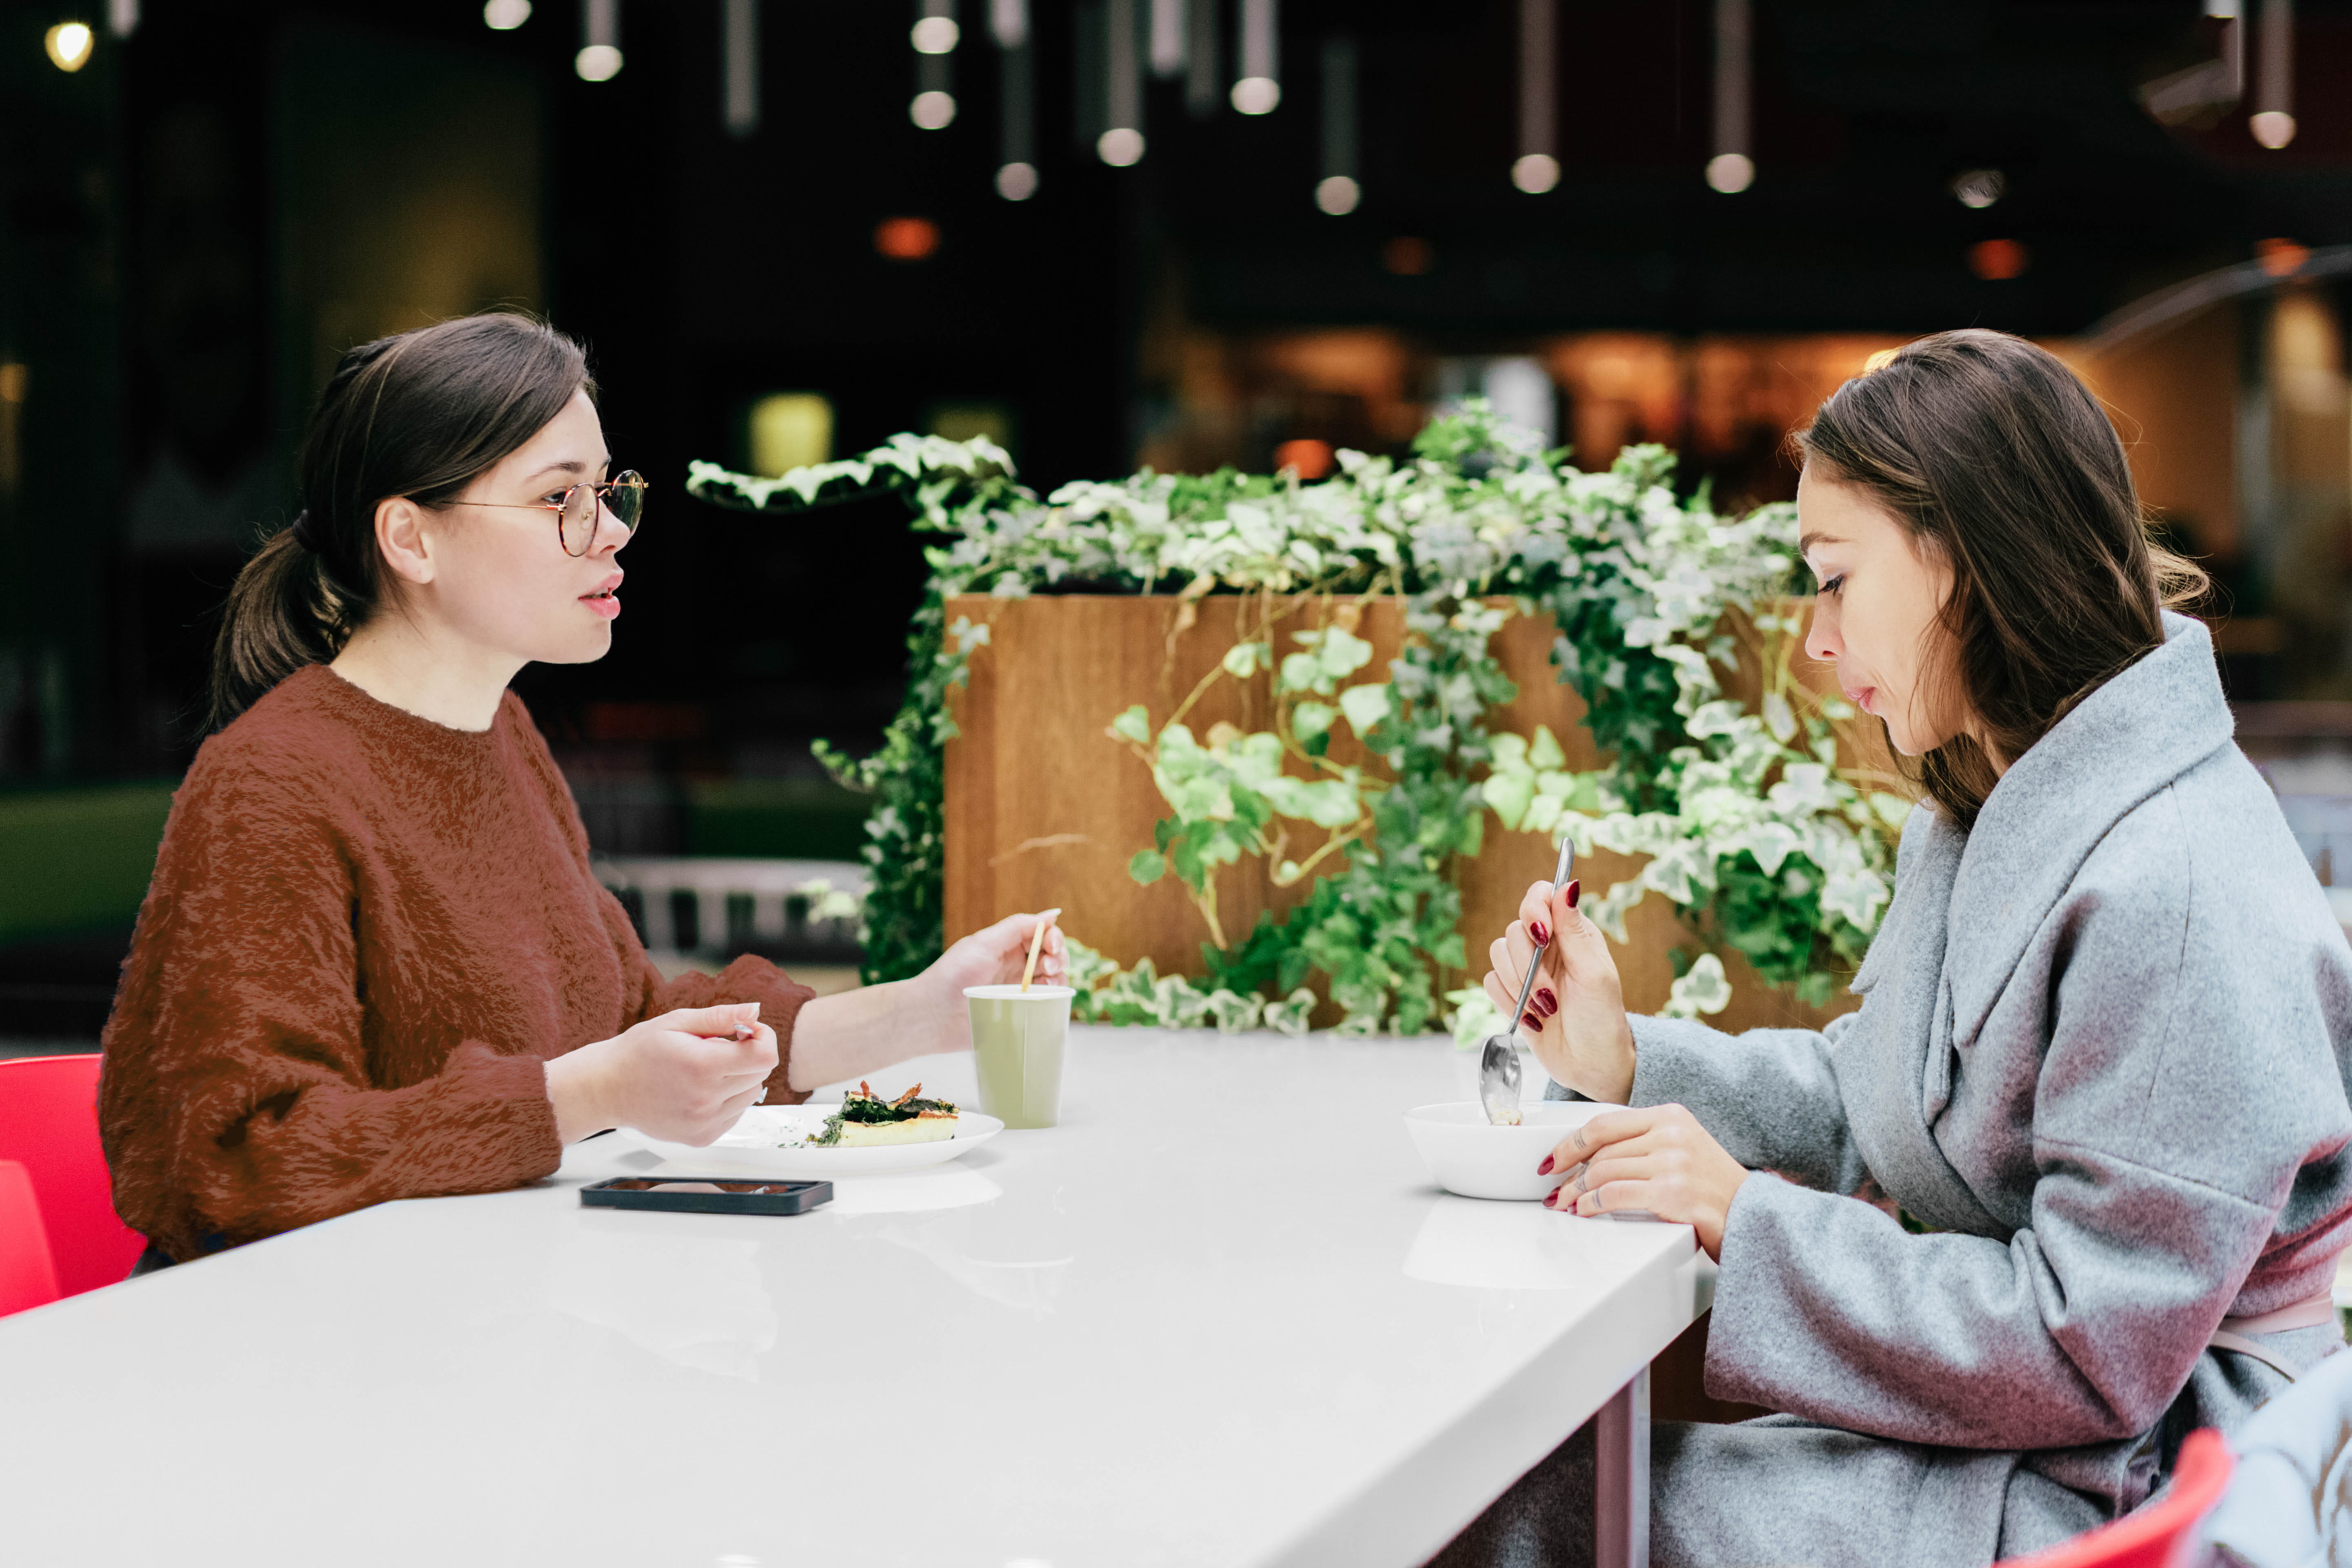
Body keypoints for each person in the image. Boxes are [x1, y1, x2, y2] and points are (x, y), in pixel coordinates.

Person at [1483, 329, 2352, 1567]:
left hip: (2129, 1491)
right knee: (1542, 1494)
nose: (1816, 639)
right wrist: (1626, 1061)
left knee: (1530, 1516)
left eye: (1833, 578)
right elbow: (1883, 1100)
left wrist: (1745, 1216)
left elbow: (2084, 1352)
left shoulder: (2179, 887)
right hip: (2023, 1449)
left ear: (1962, 563)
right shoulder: (1995, 798)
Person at [98, 313, 1062, 1270]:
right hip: (320, 1359)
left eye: (609, 491)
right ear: (411, 539)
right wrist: (588, 1096)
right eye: (560, 497)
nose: (610, 532)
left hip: (496, 1314)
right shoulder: (272, 783)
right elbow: (240, 1161)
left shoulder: (501, 734)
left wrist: (925, 1011)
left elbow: (630, 1023)